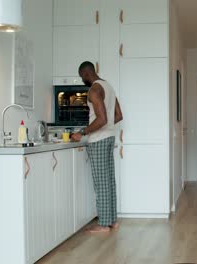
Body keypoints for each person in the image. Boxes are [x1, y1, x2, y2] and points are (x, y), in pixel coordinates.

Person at [72, 61, 123, 233]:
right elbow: (118, 115)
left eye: (82, 77)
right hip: (109, 138)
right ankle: (112, 221)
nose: (82, 81)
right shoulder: (109, 87)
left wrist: (83, 132)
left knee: (101, 182)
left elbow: (101, 119)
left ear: (87, 73)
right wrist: (107, 127)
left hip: (99, 140)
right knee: (109, 181)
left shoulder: (94, 90)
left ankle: (103, 224)